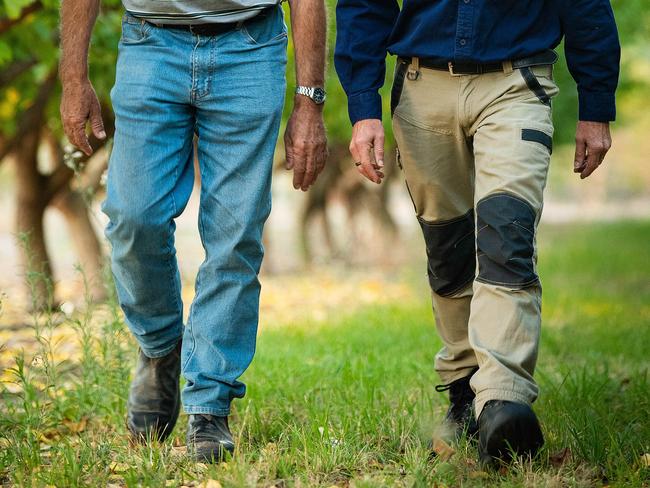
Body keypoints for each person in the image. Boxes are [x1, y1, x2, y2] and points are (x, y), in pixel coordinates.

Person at [334, 0, 619, 466]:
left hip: (517, 84)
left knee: (506, 238)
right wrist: (363, 104)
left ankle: (503, 399)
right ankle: (466, 392)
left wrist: (597, 101)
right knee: (448, 250)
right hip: (422, 87)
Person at [60, 0, 328, 462]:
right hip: (151, 43)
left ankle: (210, 403)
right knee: (132, 217)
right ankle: (162, 345)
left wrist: (310, 100)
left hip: (250, 47)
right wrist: (73, 78)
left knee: (236, 233)